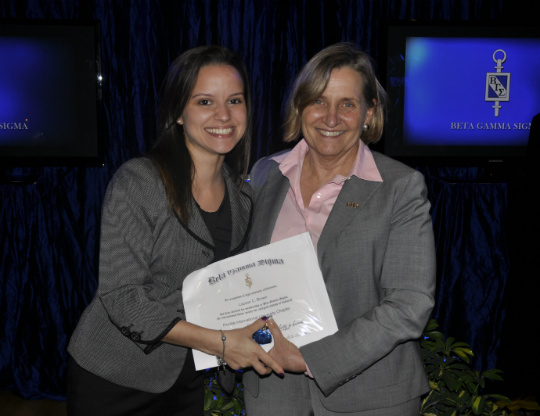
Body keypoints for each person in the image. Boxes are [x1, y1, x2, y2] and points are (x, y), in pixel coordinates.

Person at [66, 45, 283, 416]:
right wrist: (222, 342)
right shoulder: (140, 181)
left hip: (185, 379)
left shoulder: (242, 196)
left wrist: (266, 332)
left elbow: (232, 288)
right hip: (115, 375)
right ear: (178, 112)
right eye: (204, 102)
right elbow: (121, 297)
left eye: (234, 100)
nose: (223, 115)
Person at [243, 42, 436, 415]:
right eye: (318, 101)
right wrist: (252, 341)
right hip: (272, 391)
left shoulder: (400, 187)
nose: (331, 118)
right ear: (300, 108)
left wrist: (310, 358)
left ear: (369, 112)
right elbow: (245, 279)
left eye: (347, 104)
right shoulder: (265, 173)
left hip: (372, 397)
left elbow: (410, 304)